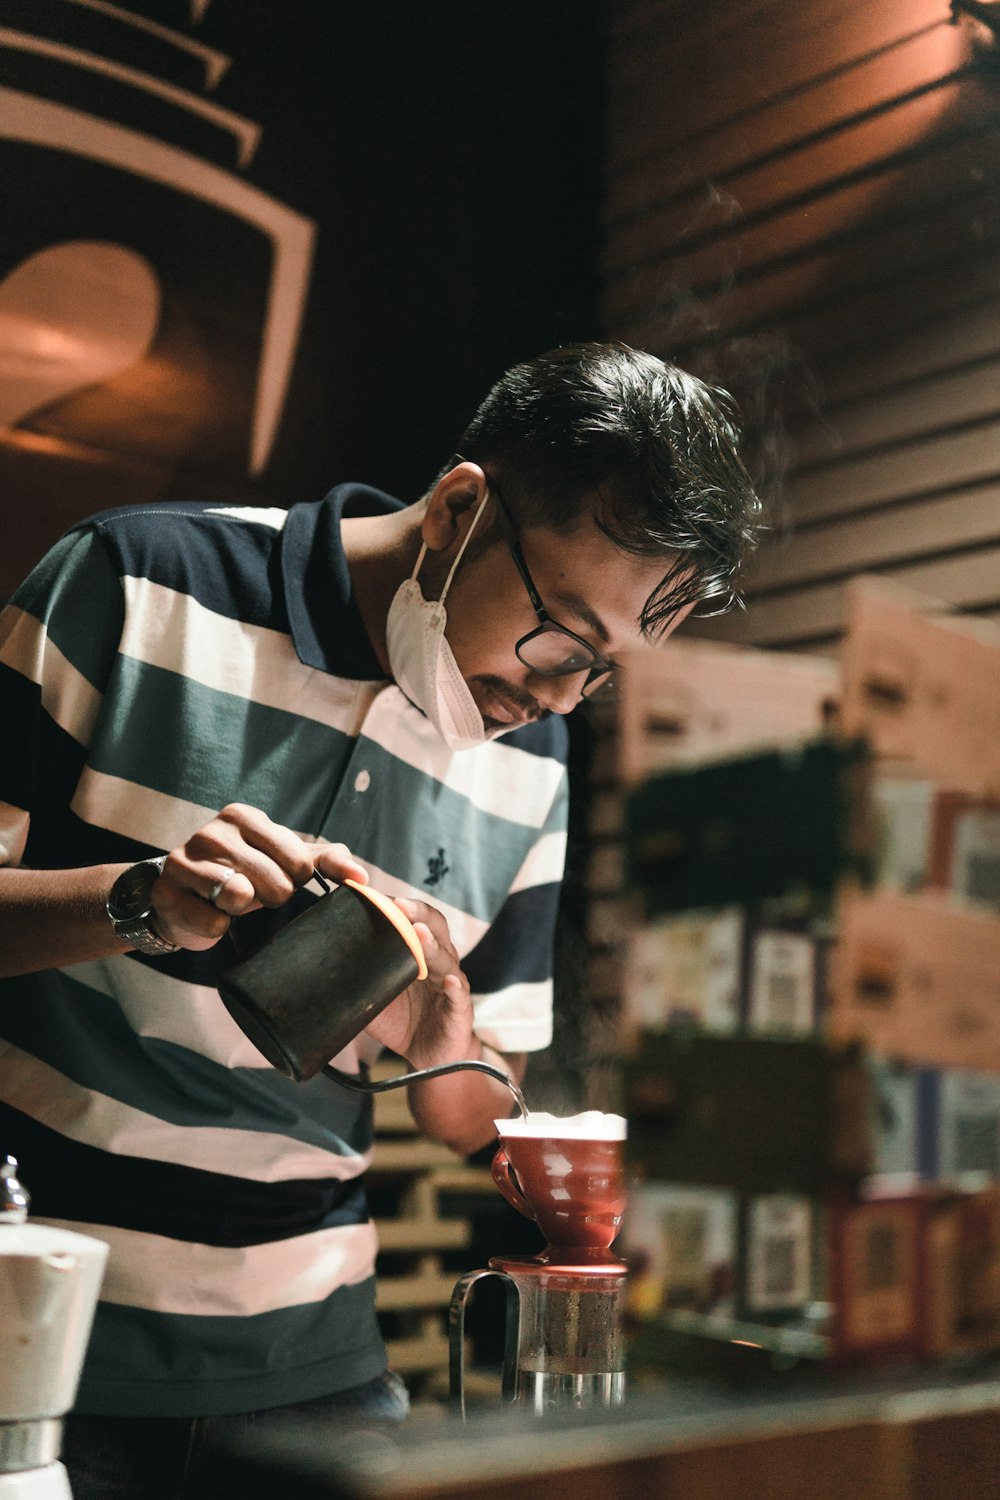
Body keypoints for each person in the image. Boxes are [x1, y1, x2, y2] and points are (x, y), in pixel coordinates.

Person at [0, 341, 760, 1494]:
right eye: (562, 636)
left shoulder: (534, 759)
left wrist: (443, 1031)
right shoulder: (137, 580)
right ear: (460, 508)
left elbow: (465, 1111)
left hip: (316, 1363)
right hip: (42, 1329)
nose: (557, 695)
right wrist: (143, 900)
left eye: (603, 672)